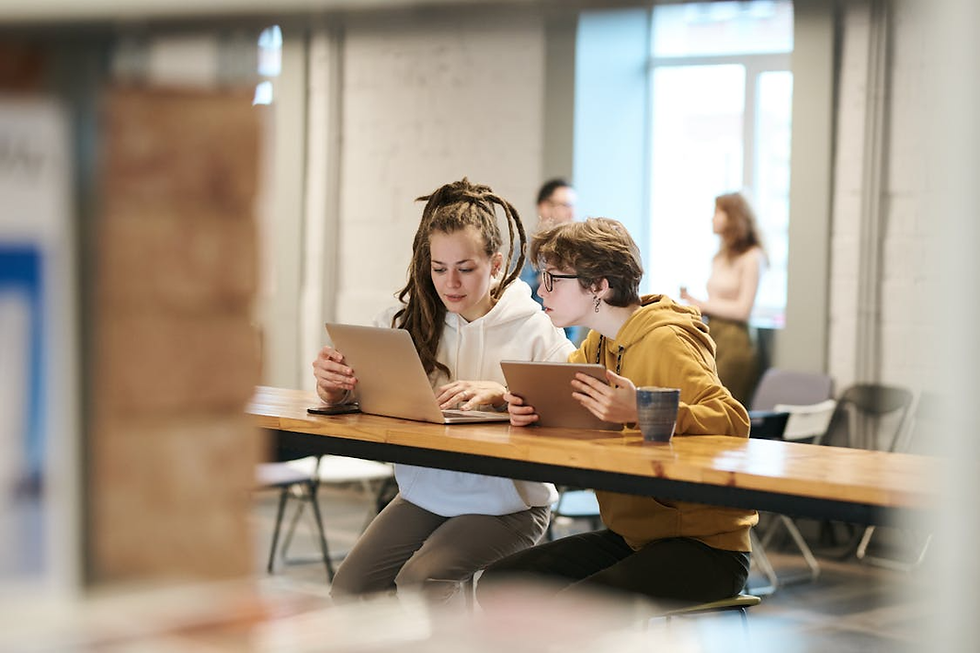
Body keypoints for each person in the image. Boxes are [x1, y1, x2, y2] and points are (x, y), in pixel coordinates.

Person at [312, 178, 576, 603]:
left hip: (509, 504)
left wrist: (504, 392)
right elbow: (361, 396)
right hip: (426, 495)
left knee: (423, 580)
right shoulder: (405, 322)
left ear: (496, 264)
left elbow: (573, 405)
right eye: (438, 269)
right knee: (349, 589)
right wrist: (335, 391)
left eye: (465, 269)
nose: (450, 283)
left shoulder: (534, 326)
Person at [477, 217, 757, 607]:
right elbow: (560, 399)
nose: (541, 290)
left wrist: (642, 408)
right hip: (635, 538)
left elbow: (733, 423)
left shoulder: (666, 339)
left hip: (706, 547)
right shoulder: (597, 345)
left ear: (598, 286)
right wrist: (510, 399)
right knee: (501, 583)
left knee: (575, 609)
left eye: (553, 279)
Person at [680, 192, 767, 406]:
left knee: (721, 407)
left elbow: (743, 310)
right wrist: (696, 304)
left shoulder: (752, 257)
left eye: (718, 212)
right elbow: (716, 301)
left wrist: (704, 305)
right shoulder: (719, 257)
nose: (712, 218)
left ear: (734, 217)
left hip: (735, 341)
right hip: (712, 335)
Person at [519, 178, 582, 342]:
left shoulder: (575, 248)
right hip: (534, 335)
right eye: (565, 206)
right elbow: (517, 291)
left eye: (573, 206)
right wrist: (547, 279)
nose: (571, 214)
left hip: (568, 338)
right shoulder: (527, 247)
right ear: (545, 208)